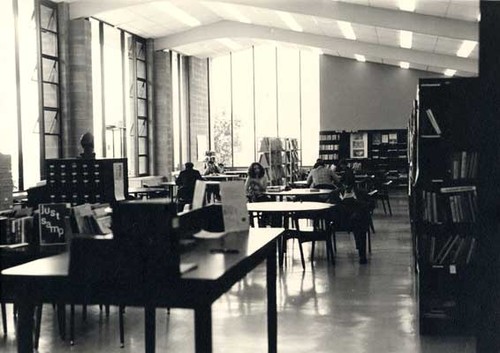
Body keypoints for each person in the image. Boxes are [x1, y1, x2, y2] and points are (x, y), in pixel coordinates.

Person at [327, 171, 373, 264]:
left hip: (357, 221)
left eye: (350, 186)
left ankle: (362, 255)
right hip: (341, 221)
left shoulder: (362, 193)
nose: (347, 188)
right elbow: (330, 207)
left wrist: (357, 202)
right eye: (345, 185)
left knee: (359, 221)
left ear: (354, 185)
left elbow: (371, 205)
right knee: (357, 221)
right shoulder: (335, 194)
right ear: (341, 185)